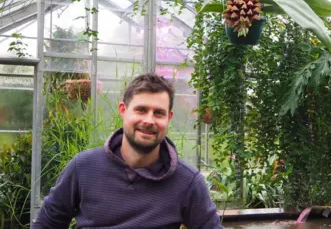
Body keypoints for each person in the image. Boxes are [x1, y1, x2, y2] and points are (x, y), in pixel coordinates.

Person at [33, 73, 223, 228]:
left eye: (158, 113)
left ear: (169, 118)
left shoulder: (187, 181)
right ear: (123, 110)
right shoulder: (83, 167)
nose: (149, 120)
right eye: (141, 110)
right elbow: (46, 224)